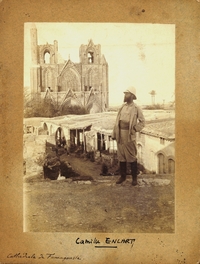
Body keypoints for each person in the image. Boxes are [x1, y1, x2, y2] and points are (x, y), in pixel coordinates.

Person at [112, 86, 145, 186]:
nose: (125, 95)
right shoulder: (122, 107)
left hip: (129, 135)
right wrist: (115, 133)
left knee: (131, 157)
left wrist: (135, 129)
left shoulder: (136, 108)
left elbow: (142, 122)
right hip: (120, 135)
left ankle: (134, 178)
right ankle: (123, 177)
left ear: (132, 95)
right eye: (125, 93)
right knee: (121, 156)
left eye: (127, 94)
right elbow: (117, 121)